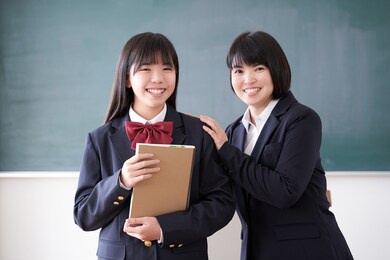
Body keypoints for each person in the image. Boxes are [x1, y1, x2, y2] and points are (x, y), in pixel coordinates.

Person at [73, 32, 235, 260]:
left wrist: (164, 229)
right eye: (146, 69)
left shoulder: (199, 133)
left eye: (167, 69)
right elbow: (84, 216)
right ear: (127, 79)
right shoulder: (99, 138)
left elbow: (222, 204)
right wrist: (120, 182)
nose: (158, 78)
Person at [200, 31, 353, 260]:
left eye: (258, 68)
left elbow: (285, 191)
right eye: (238, 71)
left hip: (308, 252)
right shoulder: (233, 132)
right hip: (257, 250)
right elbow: (222, 193)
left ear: (277, 69)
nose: (248, 79)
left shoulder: (302, 119)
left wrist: (227, 151)